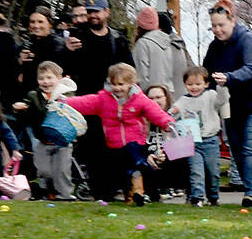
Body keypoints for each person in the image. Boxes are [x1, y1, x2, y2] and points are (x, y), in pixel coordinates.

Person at [202, 0, 252, 207]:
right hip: (233, 106)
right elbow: (206, 74)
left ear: (232, 21)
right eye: (214, 26)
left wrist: (229, 77)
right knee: (236, 148)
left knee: (251, 147)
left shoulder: (249, 41)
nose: (217, 30)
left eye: (221, 25)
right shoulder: (215, 47)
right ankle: (251, 187)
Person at [62, 63, 174, 206]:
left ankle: (139, 189)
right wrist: (64, 102)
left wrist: (167, 122)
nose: (117, 88)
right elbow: (84, 102)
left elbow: (155, 112)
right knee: (124, 171)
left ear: (130, 83)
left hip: (135, 140)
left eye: (121, 84)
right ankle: (130, 195)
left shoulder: (140, 99)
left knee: (133, 158)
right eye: (113, 84)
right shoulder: (103, 99)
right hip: (114, 143)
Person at [65, 0, 133, 198]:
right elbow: (64, 68)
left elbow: (130, 71)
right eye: (90, 12)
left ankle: (118, 188)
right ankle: (100, 191)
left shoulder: (118, 39)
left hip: (114, 101)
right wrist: (66, 50)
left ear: (107, 13)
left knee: (116, 146)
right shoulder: (77, 37)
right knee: (93, 148)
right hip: (89, 103)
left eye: (97, 11)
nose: (93, 15)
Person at [10, 60, 78, 200]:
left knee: (62, 169)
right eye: (41, 78)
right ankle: (48, 191)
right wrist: (19, 109)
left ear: (59, 79)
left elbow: (72, 115)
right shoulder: (33, 96)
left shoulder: (66, 95)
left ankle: (65, 194)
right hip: (42, 139)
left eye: (49, 78)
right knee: (44, 170)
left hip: (62, 140)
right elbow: (28, 115)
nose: (45, 82)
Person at [169, 66, 230, 208]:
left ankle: (213, 197)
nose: (194, 87)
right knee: (196, 171)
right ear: (185, 85)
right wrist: (171, 113)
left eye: (198, 84)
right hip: (192, 143)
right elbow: (174, 111)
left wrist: (222, 86)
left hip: (210, 140)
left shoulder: (211, 96)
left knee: (213, 172)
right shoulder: (183, 100)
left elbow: (222, 100)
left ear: (206, 84)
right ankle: (197, 198)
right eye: (190, 84)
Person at [17, 6, 68, 91]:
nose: (36, 26)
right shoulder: (27, 44)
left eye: (40, 22)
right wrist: (20, 61)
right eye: (32, 22)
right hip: (27, 92)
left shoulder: (57, 44)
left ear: (50, 23)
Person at [132, 6, 179, 93]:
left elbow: (141, 76)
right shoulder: (168, 42)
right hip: (167, 94)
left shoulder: (143, 44)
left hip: (151, 95)